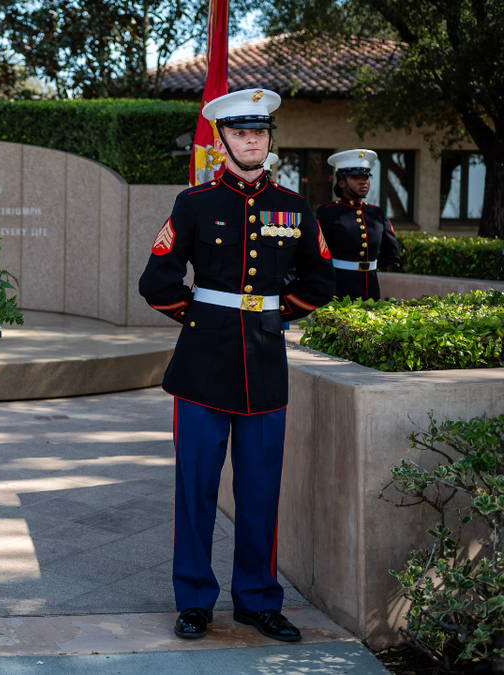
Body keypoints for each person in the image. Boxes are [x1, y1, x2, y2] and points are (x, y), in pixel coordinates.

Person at [138, 88, 335, 643]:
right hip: (202, 366)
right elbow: (157, 282)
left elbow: (320, 280)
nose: (252, 140)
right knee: (196, 488)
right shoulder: (195, 203)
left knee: (260, 491)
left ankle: (256, 600)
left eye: (261, 132)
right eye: (242, 133)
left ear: (270, 140)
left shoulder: (296, 207)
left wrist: (274, 317)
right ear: (222, 141)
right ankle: (195, 600)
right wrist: (202, 320)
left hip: (266, 366)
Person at [317, 150, 401, 300]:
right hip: (337, 289)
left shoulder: (377, 213)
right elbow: (317, 253)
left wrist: (370, 266)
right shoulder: (328, 212)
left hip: (371, 288)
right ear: (341, 182)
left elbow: (392, 254)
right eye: (355, 178)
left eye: (366, 177)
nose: (363, 182)